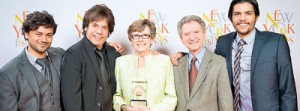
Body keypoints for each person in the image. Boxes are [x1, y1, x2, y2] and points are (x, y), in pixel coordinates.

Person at [215, 0, 298, 110]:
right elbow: (210, 68)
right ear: (231, 18)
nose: (242, 18)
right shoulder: (223, 42)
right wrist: (185, 56)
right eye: (237, 14)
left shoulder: (276, 42)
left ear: (256, 16)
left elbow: (288, 90)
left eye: (248, 13)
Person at [60, 4, 121, 111]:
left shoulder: (113, 53)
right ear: (86, 27)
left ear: (109, 31)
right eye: (95, 26)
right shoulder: (73, 54)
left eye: (104, 27)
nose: (99, 31)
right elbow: (71, 101)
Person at [0, 11, 64, 111]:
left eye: (49, 35)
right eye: (39, 34)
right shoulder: (8, 73)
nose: (44, 39)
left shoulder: (60, 55)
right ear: (26, 34)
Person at [113, 19, 177, 111]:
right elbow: (116, 95)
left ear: (152, 39)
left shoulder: (164, 61)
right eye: (136, 36)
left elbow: (171, 97)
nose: (140, 39)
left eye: (145, 35)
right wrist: (125, 107)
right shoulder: (120, 62)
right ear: (131, 40)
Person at [174, 15, 233, 111]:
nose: (192, 37)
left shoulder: (219, 62)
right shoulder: (176, 64)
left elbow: (225, 103)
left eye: (196, 32)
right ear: (181, 39)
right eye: (187, 34)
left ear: (204, 34)